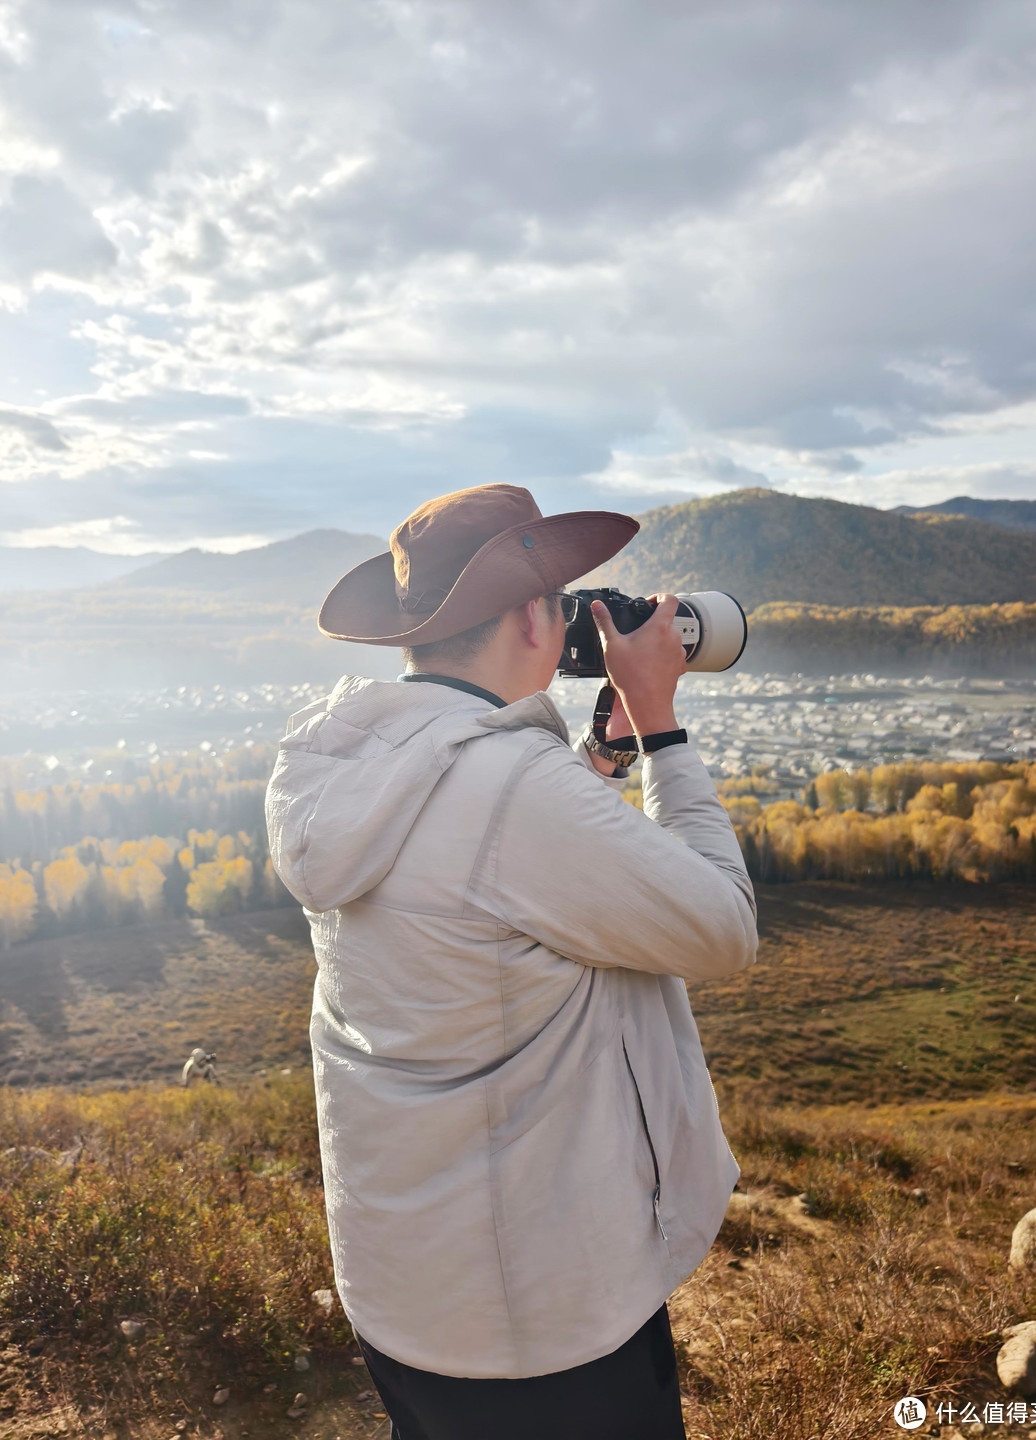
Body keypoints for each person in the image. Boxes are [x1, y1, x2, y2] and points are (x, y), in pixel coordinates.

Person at [265, 483, 757, 1440]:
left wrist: (596, 762)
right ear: (537, 614)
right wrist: (660, 725)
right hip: (541, 1313)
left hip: (407, 1281)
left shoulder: (349, 764)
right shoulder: (514, 791)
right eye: (567, 600)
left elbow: (471, 874)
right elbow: (724, 928)